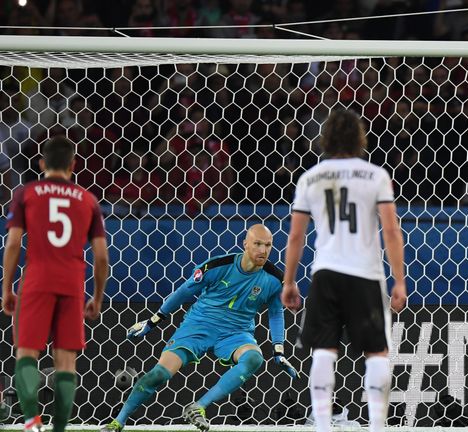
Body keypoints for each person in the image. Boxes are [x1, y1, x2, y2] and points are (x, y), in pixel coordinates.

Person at [100, 225, 298, 432]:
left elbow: (276, 312)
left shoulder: (276, 279)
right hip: (199, 326)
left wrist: (278, 350)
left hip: (236, 333)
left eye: (268, 245)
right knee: (159, 374)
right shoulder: (217, 266)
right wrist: (152, 321)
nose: (263, 250)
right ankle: (118, 421)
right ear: (245, 244)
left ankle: (198, 407)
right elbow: (184, 291)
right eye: (257, 244)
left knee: (254, 358)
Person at [281, 109, 407, 432]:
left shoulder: (310, 178)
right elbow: (391, 231)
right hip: (365, 273)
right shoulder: (375, 176)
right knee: (376, 351)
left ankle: (323, 425)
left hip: (325, 272)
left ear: (325, 139)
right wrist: (399, 280)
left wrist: (289, 281)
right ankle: (378, 426)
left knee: (324, 349)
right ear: (359, 138)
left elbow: (296, 235)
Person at [2, 135, 109, 432]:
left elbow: (13, 244)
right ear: (73, 165)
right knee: (65, 362)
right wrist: (97, 298)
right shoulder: (88, 200)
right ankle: (59, 429)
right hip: (72, 284)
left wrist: (7, 288)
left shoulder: (27, 193)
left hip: (36, 281)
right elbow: (101, 257)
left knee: (26, 353)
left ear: (41, 164)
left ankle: (31, 421)